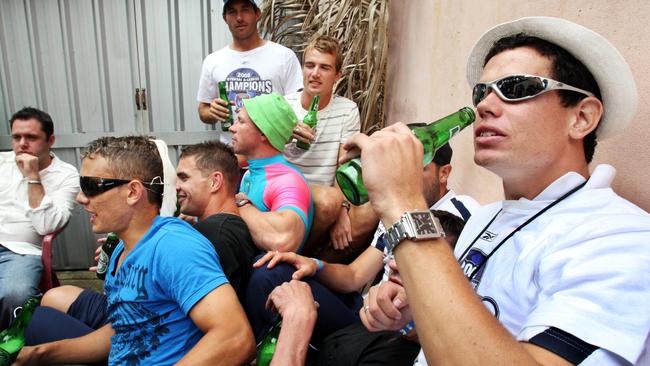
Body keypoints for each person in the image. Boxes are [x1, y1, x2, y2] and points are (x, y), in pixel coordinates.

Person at [346, 17, 650, 366]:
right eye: (482, 92)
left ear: (581, 117)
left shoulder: (620, 238)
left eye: (517, 88)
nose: (484, 107)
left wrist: (404, 206)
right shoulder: (486, 218)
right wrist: (414, 316)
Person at [15, 136, 254, 365]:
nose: (80, 198)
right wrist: (40, 354)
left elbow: (235, 338)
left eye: (91, 186)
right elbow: (125, 331)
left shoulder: (174, 246)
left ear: (132, 192)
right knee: (36, 321)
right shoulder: (122, 247)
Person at [0, 107, 79, 329]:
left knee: (16, 295)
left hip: (22, 251)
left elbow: (47, 226)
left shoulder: (66, 175)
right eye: (16, 137)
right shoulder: (2, 163)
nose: (22, 144)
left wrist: (33, 177)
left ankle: (12, 347)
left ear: (50, 140)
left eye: (31, 137)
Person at [197, 0, 302, 142]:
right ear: (225, 18)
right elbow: (203, 110)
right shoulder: (213, 61)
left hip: (272, 153)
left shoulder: (284, 56)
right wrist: (212, 112)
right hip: (230, 155)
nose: (239, 18)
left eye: (245, 10)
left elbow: (299, 107)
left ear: (257, 14)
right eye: (232, 12)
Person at [230, 92, 313, 253]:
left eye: (240, 122)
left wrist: (239, 203)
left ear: (263, 133)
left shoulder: (287, 180)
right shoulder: (249, 174)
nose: (232, 128)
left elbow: (284, 240)